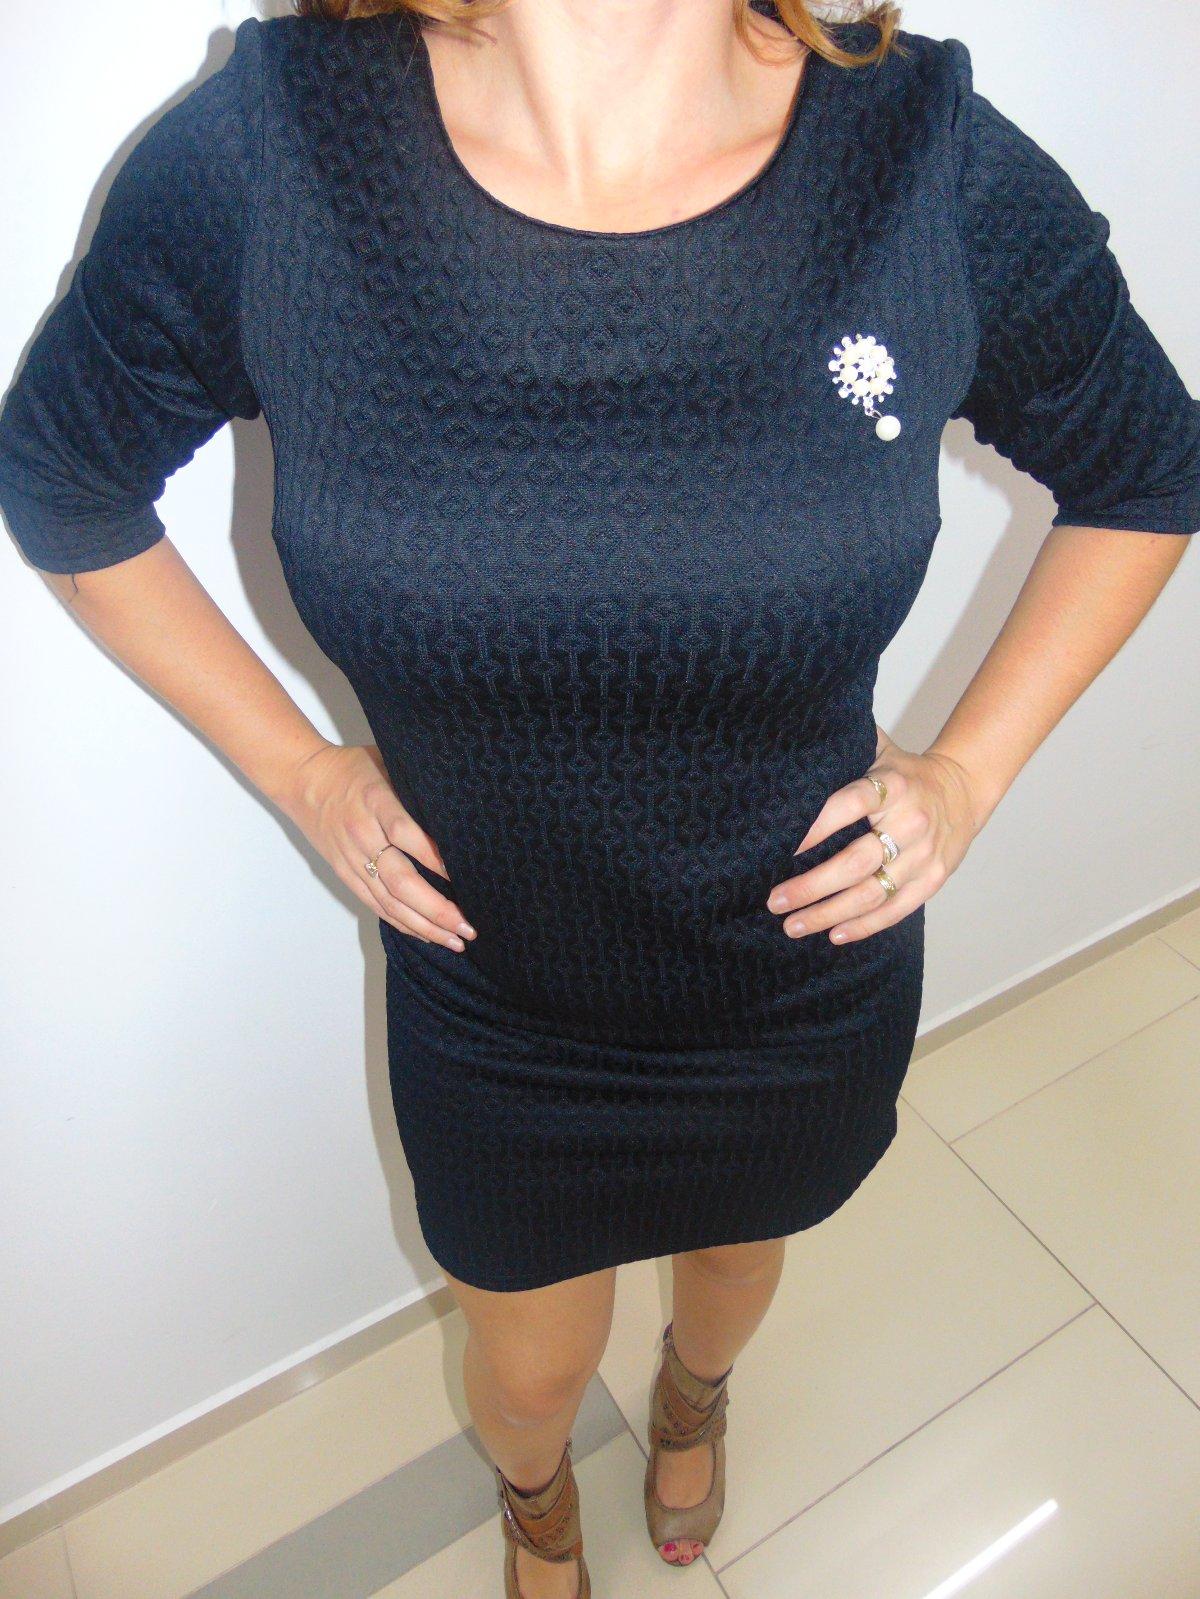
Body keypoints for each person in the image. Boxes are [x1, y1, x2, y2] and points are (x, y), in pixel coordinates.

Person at [1, 1, 1197, 1594]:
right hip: (494, 992)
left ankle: (696, 1396)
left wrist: (966, 772)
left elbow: (1148, 468)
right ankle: (538, 1500)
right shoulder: (275, 158)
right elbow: (65, 475)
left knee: (736, 1266)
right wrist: (303, 768)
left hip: (795, 969)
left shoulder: (917, 161)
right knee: (525, 1376)